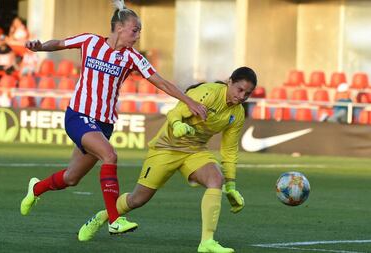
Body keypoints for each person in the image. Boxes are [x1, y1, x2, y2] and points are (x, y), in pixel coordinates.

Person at [20, 0, 207, 237]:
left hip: (104, 124)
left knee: (71, 178)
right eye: (135, 30)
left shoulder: (132, 57)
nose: (138, 36)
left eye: (139, 31)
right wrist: (40, 47)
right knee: (110, 155)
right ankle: (114, 220)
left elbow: (161, 82)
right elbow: (59, 43)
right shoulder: (90, 41)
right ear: (119, 28)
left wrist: (189, 101)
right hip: (79, 115)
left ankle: (36, 189)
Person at [77, 67, 257, 253]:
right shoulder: (208, 93)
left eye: (248, 93)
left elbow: (229, 150)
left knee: (216, 180)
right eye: (240, 90)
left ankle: (207, 242)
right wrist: (178, 125)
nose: (243, 96)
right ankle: (101, 217)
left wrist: (231, 185)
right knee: (138, 199)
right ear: (230, 82)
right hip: (166, 148)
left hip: (195, 151)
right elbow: (175, 113)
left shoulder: (238, 114)